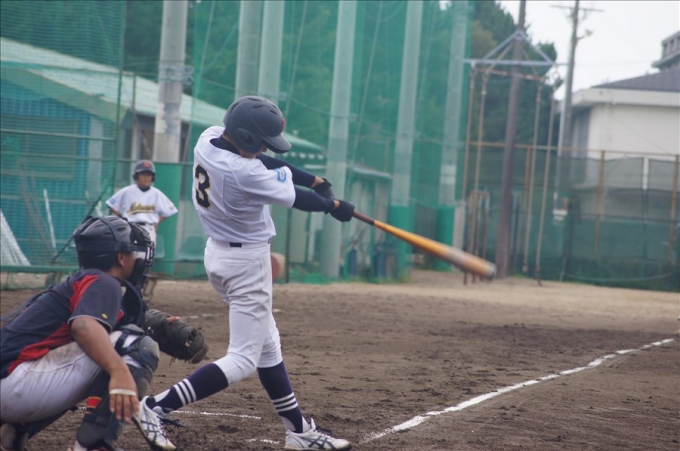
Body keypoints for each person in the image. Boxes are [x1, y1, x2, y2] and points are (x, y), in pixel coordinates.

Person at [137, 95, 354, 450]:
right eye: (261, 141)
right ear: (246, 137)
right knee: (243, 358)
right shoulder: (244, 172)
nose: (265, 148)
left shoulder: (209, 138)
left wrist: (315, 179)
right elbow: (297, 198)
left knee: (268, 346)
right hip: (247, 265)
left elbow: (265, 160)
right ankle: (155, 407)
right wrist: (334, 205)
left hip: (219, 254)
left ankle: (298, 431)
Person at [0, 216, 175, 451]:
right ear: (120, 257)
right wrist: (120, 371)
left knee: (110, 344)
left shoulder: (90, 279)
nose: (137, 258)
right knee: (135, 345)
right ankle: (92, 445)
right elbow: (84, 327)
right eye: (133, 253)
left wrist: (155, 322)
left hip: (11, 382)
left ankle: (12, 431)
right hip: (13, 385)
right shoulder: (105, 282)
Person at [107, 159, 178, 300]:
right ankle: (124, 289)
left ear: (152, 177)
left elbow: (170, 210)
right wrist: (120, 217)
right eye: (142, 174)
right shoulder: (128, 191)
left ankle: (138, 291)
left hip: (148, 228)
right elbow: (111, 203)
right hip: (130, 227)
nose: (145, 177)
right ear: (136, 176)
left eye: (148, 174)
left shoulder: (156, 193)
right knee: (127, 258)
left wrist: (157, 221)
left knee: (145, 261)